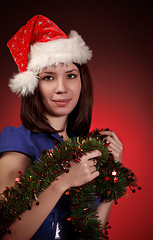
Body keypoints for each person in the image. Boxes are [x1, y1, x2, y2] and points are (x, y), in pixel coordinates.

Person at [0, 15, 123, 240]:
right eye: (48, 77)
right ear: (34, 85)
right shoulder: (17, 142)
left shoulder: (82, 144)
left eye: (71, 75)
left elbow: (91, 233)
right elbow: (6, 234)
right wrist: (63, 181)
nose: (61, 88)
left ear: (81, 81)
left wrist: (110, 177)